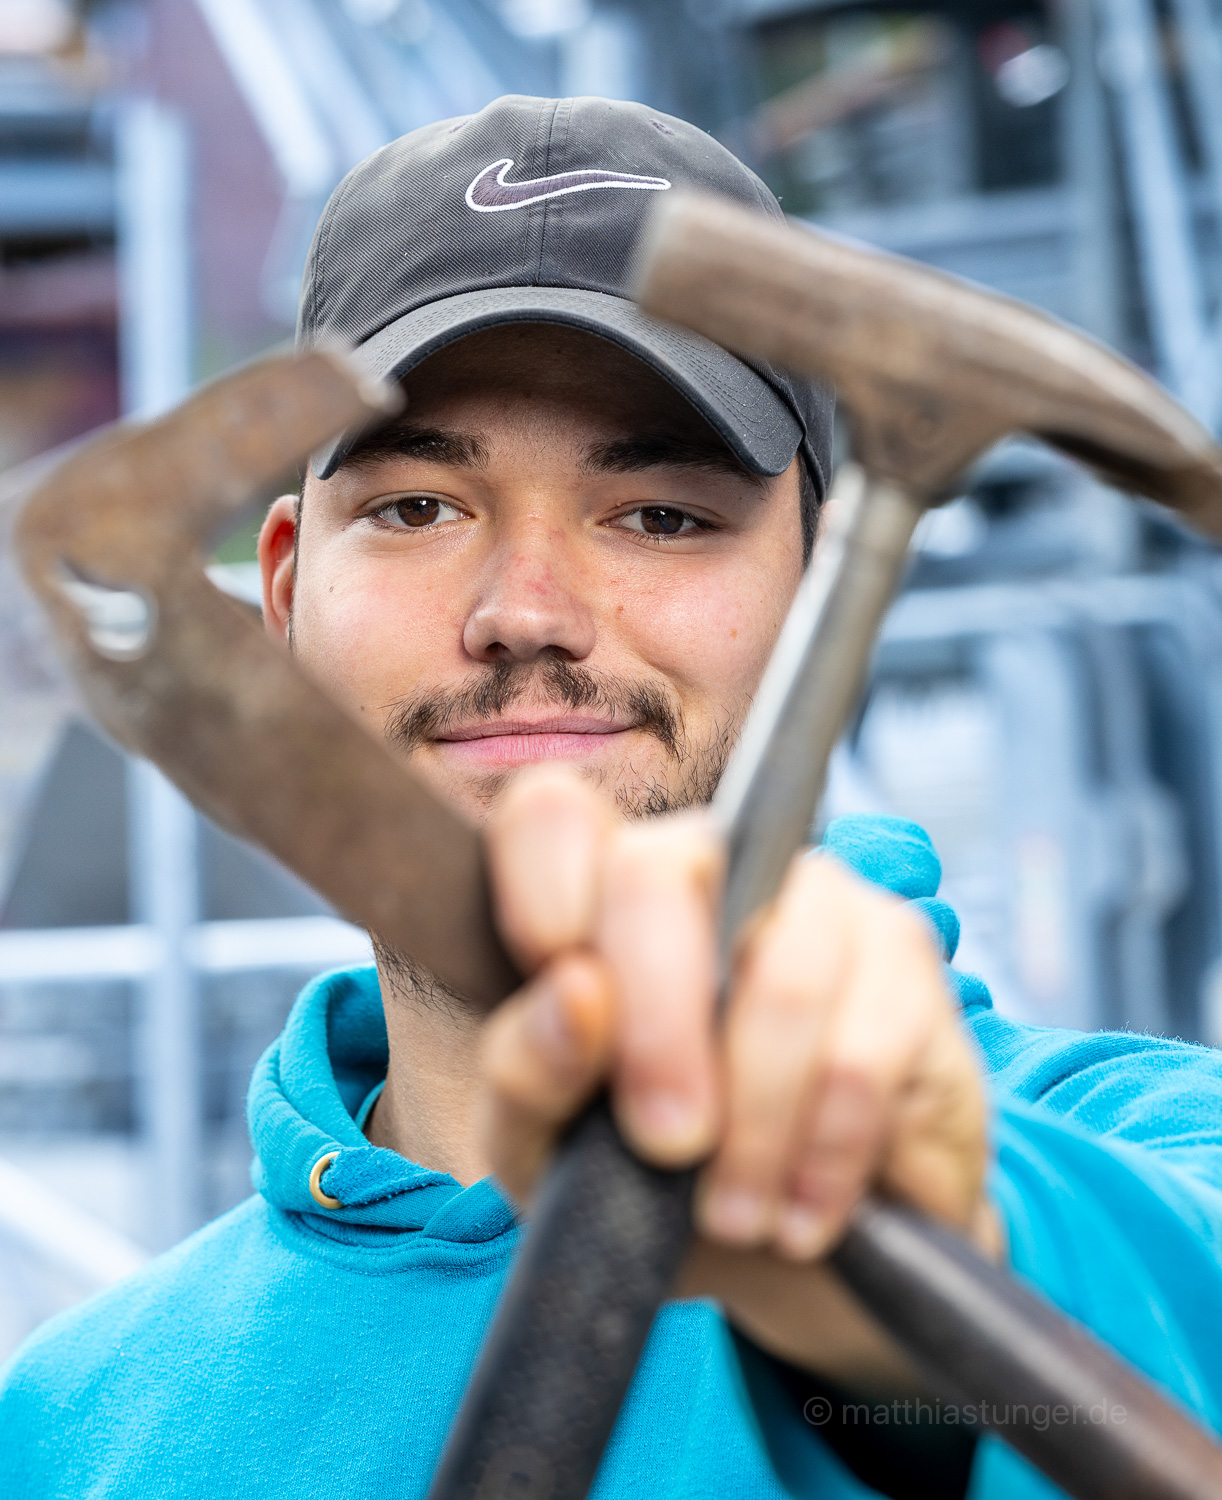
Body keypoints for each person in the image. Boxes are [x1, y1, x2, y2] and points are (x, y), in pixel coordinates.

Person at [5, 93, 1222, 1500]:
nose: (527, 612)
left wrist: (919, 1253)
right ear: (281, 595)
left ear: (820, 595)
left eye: (661, 515)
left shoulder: (1154, 1153)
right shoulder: (71, 1430)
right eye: (417, 509)